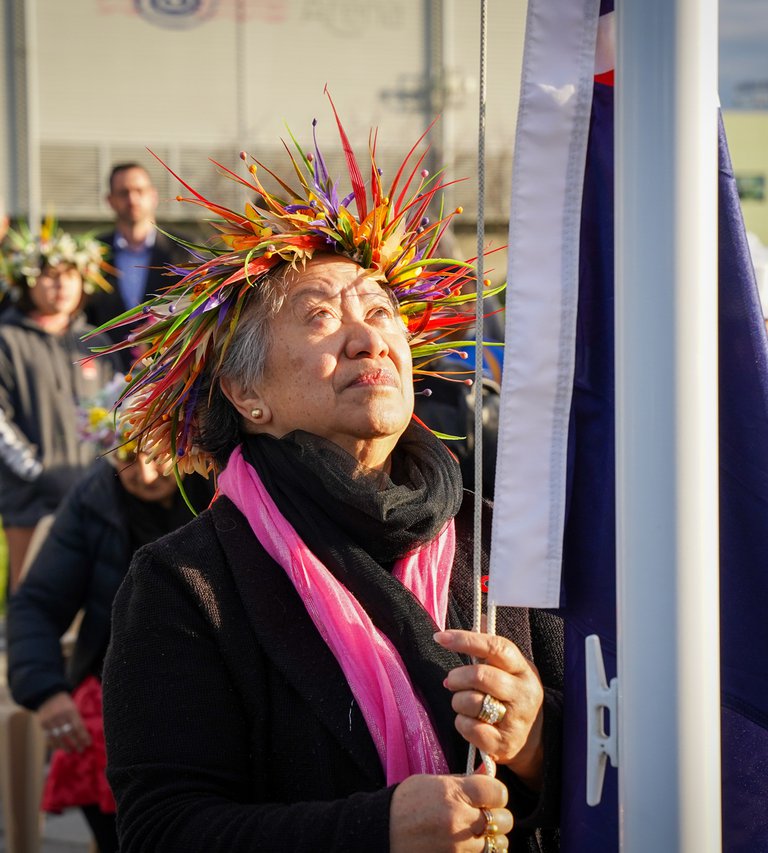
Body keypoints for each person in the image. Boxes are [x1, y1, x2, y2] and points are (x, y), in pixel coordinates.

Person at [99, 104, 563, 853]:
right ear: (247, 395)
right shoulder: (187, 581)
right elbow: (163, 831)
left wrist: (542, 741)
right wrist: (372, 829)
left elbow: (623, 758)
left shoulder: (500, 539)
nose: (367, 335)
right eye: (318, 317)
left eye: (381, 311)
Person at [6, 383, 214, 853]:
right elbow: (36, 602)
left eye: (157, 451)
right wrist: (45, 691)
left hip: (210, 669)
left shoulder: (218, 487)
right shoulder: (93, 501)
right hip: (117, 672)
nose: (145, 472)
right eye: (127, 456)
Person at [0, 219, 117, 590]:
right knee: (32, 598)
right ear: (26, 281)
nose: (61, 284)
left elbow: (117, 407)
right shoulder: (7, 339)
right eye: (49, 275)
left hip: (95, 493)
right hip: (31, 500)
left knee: (94, 597)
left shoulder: (96, 340)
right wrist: (37, 470)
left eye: (69, 274)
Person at [85, 163, 186, 369]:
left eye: (139, 191)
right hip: (104, 375)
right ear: (110, 200)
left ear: (153, 195)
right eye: (123, 193)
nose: (132, 199)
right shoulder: (93, 253)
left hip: (169, 375)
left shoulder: (183, 250)